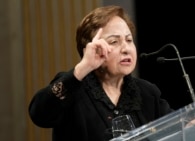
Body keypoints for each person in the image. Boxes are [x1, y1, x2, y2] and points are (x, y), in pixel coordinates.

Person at [28, 5, 174, 141]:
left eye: (129, 40)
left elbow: (179, 126)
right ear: (91, 49)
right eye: (114, 42)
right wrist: (83, 67)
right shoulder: (71, 87)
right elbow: (39, 114)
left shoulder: (146, 92)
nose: (126, 48)